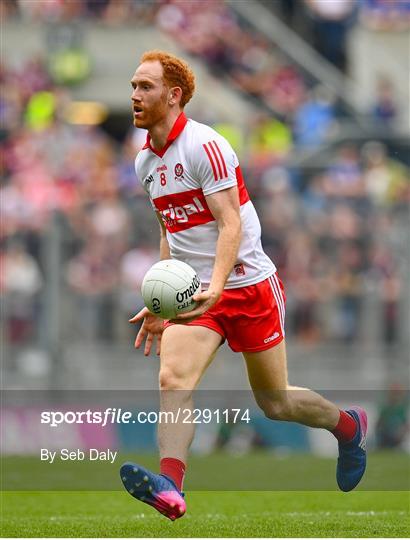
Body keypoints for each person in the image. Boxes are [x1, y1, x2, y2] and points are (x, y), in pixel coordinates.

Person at [120, 50, 367, 521]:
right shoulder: (143, 164)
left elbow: (230, 224)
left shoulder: (204, 145)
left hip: (249, 284)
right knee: (173, 379)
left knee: (275, 402)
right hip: (197, 292)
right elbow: (168, 231)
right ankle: (171, 487)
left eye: (145, 87)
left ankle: (347, 426)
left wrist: (217, 285)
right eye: (132, 86)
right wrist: (161, 301)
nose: (134, 95)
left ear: (174, 96)